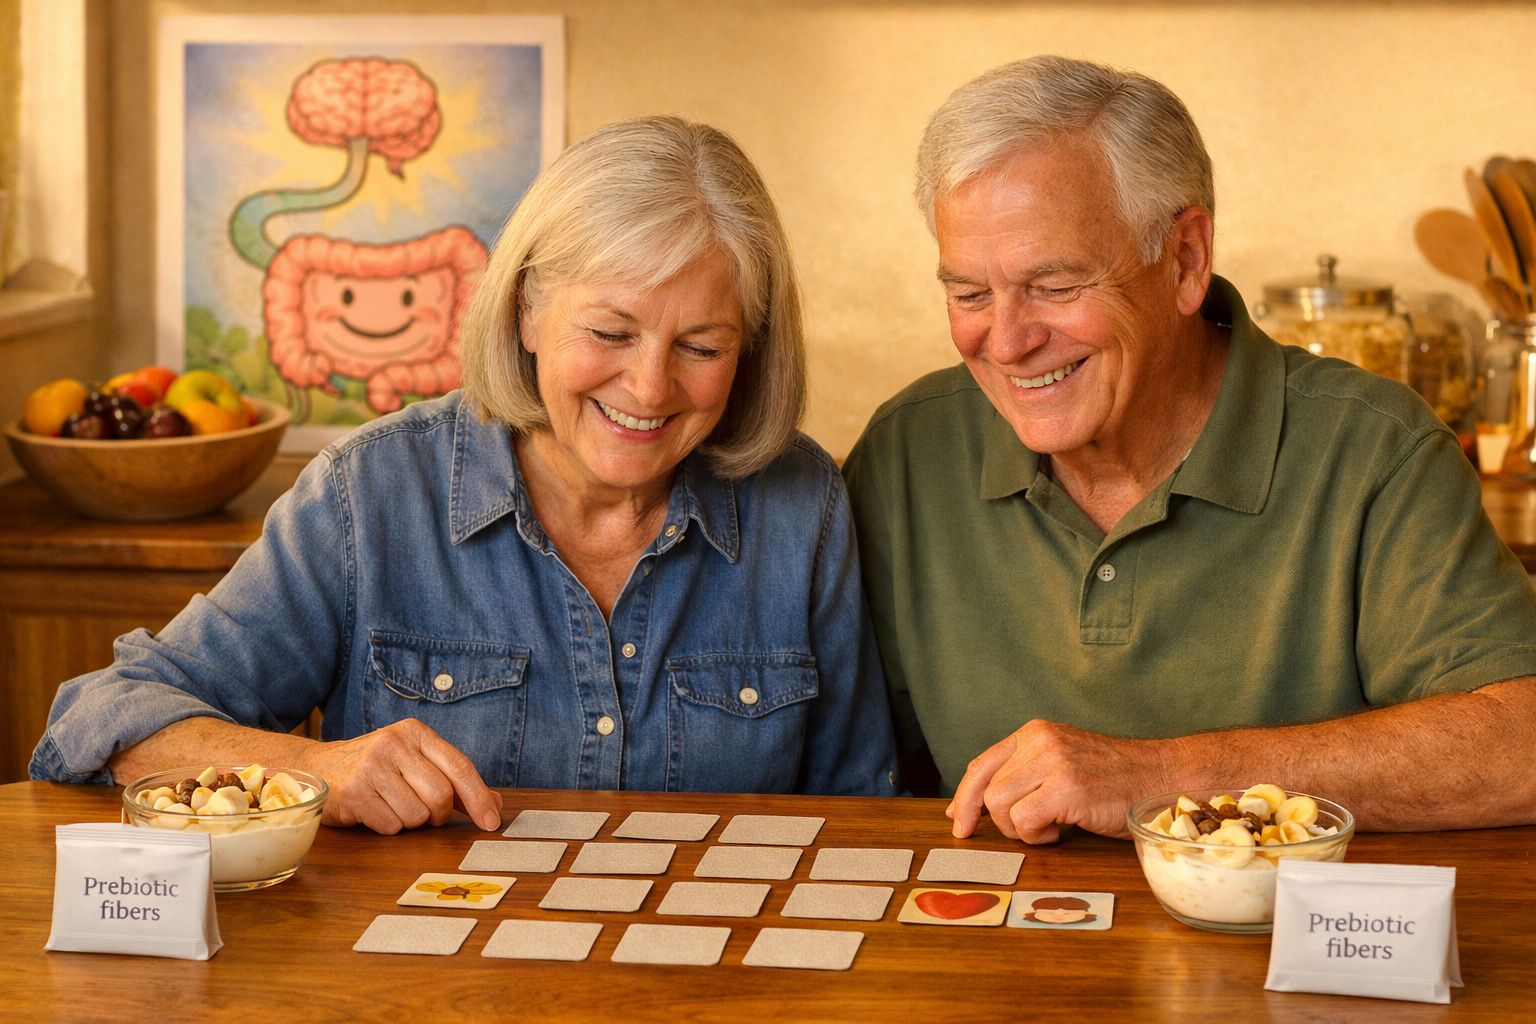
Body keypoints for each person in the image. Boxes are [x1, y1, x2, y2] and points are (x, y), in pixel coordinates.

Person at [34, 116, 899, 832]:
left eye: (701, 347)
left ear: (750, 352)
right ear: (527, 312)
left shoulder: (803, 505)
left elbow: (864, 817)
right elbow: (101, 717)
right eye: (610, 333)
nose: (648, 387)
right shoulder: (370, 494)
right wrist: (313, 768)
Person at [842, 55, 1536, 845]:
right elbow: (848, 773)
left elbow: (1520, 744)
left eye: (1056, 287)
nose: (1005, 342)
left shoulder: (1376, 449)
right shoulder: (907, 452)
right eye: (968, 293)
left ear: (1185, 260)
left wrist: (1161, 778)